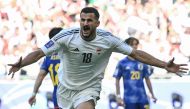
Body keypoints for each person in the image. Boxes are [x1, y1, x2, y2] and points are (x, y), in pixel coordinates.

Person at [8, 7, 188, 109]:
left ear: (97, 23)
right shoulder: (66, 36)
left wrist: (164, 65)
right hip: (64, 89)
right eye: (83, 20)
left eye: (89, 21)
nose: (85, 23)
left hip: (89, 88)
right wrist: (21, 63)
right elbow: (39, 53)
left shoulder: (108, 39)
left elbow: (136, 54)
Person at [113, 37, 157, 109]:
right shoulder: (122, 63)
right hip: (129, 100)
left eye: (136, 44)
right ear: (126, 46)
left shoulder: (143, 62)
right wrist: (118, 96)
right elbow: (117, 80)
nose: (134, 46)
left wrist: (152, 94)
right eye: (132, 44)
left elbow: (147, 79)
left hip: (143, 98)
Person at [28, 27, 62, 109]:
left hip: (57, 95)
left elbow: (40, 76)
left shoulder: (48, 56)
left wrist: (34, 93)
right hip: (71, 95)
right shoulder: (68, 54)